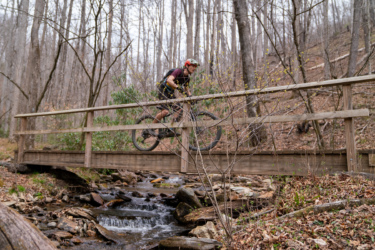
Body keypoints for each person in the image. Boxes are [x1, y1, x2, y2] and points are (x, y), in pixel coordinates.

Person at [151, 58, 199, 136]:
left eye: (195, 66)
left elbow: (187, 90)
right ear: (187, 66)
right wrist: (177, 87)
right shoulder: (178, 71)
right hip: (163, 90)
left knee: (179, 109)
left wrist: (191, 97)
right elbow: (169, 80)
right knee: (165, 111)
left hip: (170, 93)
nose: (194, 68)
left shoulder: (187, 78)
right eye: (193, 66)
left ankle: (171, 129)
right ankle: (151, 128)